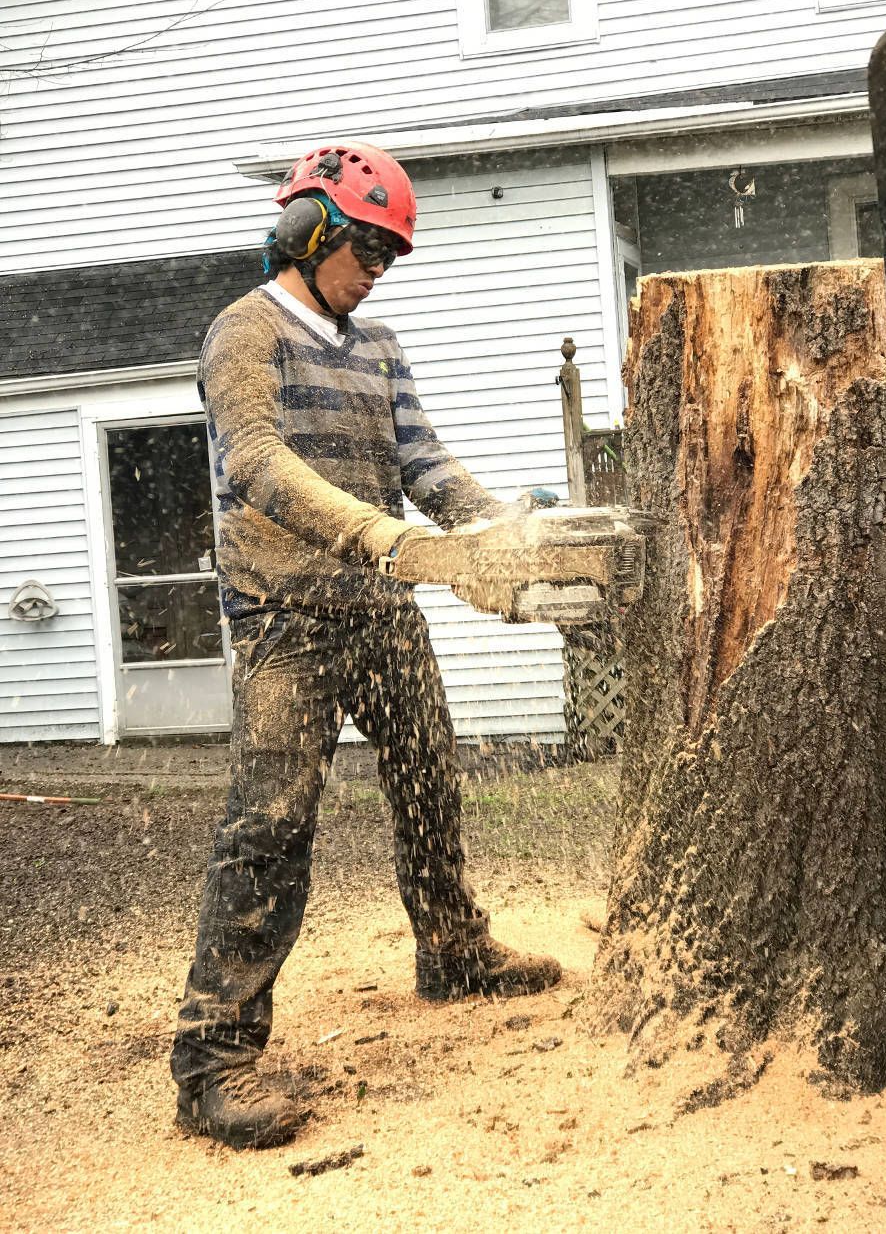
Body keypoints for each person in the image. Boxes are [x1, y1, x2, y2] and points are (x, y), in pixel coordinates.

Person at [170, 143, 561, 1151]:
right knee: (270, 827)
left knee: (431, 778)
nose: (376, 268)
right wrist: (377, 534)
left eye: (389, 253)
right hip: (285, 617)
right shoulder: (243, 332)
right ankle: (214, 1060)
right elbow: (254, 461)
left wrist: (496, 528)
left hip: (382, 609)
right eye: (366, 248)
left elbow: (423, 461)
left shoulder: (376, 343)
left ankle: (453, 947)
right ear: (309, 232)